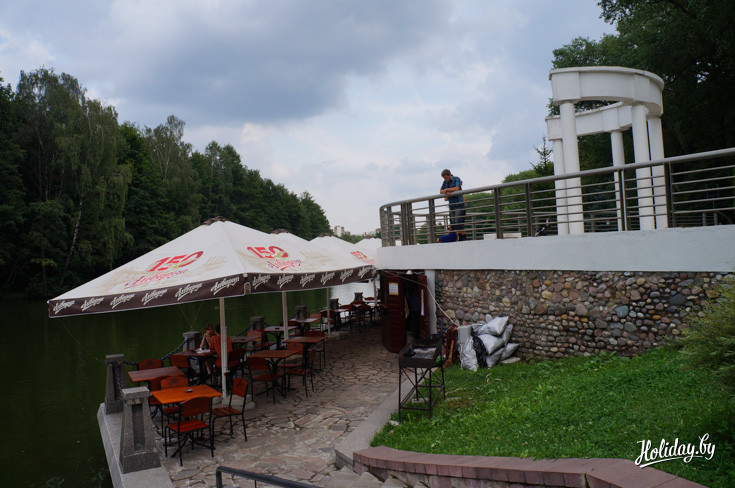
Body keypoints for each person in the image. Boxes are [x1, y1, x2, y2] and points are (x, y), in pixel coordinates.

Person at [439, 169, 467, 240]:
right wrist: (447, 191)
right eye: (444, 178)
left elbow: (457, 188)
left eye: (446, 177)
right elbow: (440, 191)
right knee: (454, 223)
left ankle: (463, 237)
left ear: (449, 175)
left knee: (458, 221)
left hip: (459, 204)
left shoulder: (456, 179)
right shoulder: (445, 182)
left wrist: (447, 190)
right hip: (452, 206)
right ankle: (461, 237)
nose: (445, 179)